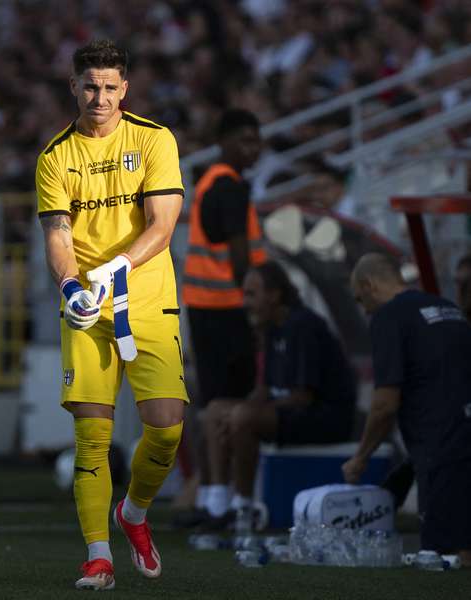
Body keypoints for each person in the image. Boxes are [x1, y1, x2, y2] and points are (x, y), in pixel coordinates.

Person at [35, 39, 187, 591]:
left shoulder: (154, 139)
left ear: (125, 89)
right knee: (91, 437)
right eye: (90, 86)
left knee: (167, 430)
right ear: (73, 86)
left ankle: (135, 513)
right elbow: (57, 234)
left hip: (146, 298)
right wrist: (72, 284)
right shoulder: (55, 156)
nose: (100, 97)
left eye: (109, 87)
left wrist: (113, 269)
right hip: (89, 308)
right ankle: (98, 556)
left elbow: (163, 226)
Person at [203, 261, 356, 532]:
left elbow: (303, 397)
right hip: (294, 411)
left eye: (251, 294)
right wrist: (236, 414)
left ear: (274, 295)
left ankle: (243, 507)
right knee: (215, 411)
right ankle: (217, 505)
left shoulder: (304, 326)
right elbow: (264, 389)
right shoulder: (272, 328)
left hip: (327, 417)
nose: (245, 302)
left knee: (243, 417)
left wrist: (243, 415)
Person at [343, 253, 471, 567]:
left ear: (369, 285)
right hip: (464, 437)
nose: (365, 310)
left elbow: (385, 403)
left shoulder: (389, 316)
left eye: (361, 300)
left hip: (439, 447)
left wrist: (360, 458)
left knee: (442, 559)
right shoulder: (449, 310)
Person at [179, 108, 266, 526]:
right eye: (245, 140)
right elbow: (237, 255)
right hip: (230, 310)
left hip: (203, 307)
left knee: (212, 406)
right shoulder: (230, 186)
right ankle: (227, 499)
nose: (254, 149)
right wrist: (255, 302)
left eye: (257, 140)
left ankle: (212, 498)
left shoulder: (210, 182)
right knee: (232, 407)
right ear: (225, 142)